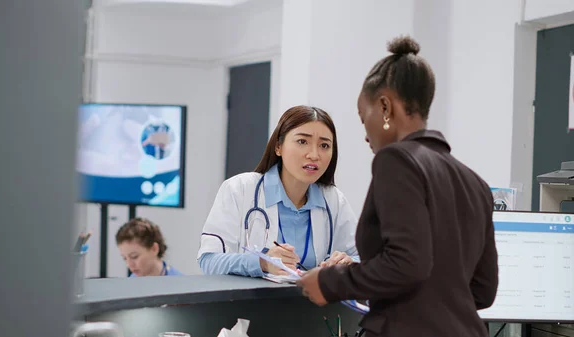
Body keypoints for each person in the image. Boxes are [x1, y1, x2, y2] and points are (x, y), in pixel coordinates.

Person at [297, 36, 499, 337]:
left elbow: (408, 263)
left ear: (385, 107)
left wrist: (329, 282)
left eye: (363, 117)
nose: (366, 134)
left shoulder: (396, 160)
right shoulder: (474, 182)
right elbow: (483, 290)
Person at [197, 105, 359, 277]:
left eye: (324, 145)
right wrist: (262, 263)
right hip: (251, 304)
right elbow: (209, 261)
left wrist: (348, 263)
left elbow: (364, 257)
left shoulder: (334, 200)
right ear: (278, 147)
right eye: (302, 141)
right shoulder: (239, 189)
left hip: (311, 303)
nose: (314, 154)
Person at [116, 217, 183, 277]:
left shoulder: (180, 285)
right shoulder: (132, 281)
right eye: (125, 258)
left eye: (134, 256)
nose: (129, 265)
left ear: (154, 249)